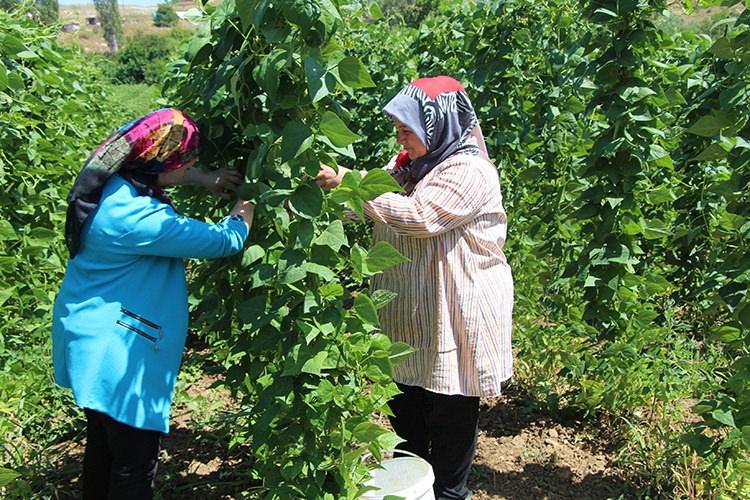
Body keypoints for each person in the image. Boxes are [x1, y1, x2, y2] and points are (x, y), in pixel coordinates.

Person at [316, 76, 513, 500]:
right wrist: (324, 196)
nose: (400, 137)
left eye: (407, 128)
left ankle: (448, 494)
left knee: (449, 413)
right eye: (398, 128)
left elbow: (420, 217)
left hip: (455, 310)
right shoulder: (405, 164)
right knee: (406, 412)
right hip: (410, 311)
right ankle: (414, 489)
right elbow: (368, 203)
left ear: (437, 124)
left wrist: (350, 183)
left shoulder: (470, 170)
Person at [52, 108, 254, 499]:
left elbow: (165, 176)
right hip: (118, 355)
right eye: (186, 159)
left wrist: (202, 179)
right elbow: (225, 240)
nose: (193, 162)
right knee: (134, 464)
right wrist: (250, 198)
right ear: (159, 161)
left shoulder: (116, 186)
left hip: (90, 336)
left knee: (104, 448)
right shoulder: (138, 218)